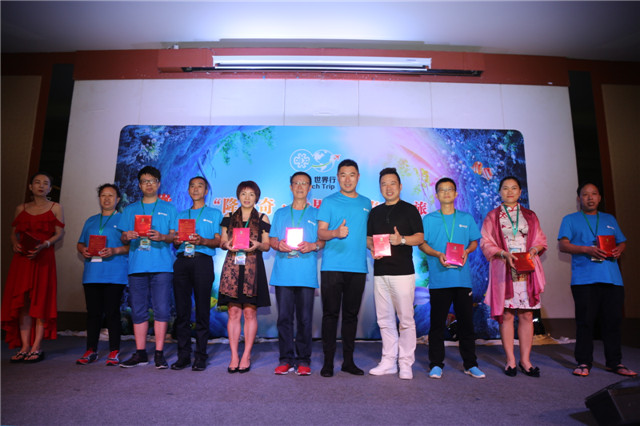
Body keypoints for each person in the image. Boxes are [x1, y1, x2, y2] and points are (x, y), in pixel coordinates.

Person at [558, 182, 636, 377]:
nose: (590, 197)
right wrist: (587, 249)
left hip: (613, 280)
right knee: (585, 322)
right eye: (585, 194)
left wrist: (619, 249)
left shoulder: (609, 219)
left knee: (613, 322)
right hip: (584, 280)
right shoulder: (570, 219)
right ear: (579, 199)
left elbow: (622, 241)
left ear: (599, 197)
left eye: (594, 194)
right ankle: (583, 362)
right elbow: (563, 245)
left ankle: (614, 362)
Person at [480, 176, 547, 377]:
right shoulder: (492, 216)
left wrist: (534, 250)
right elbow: (485, 242)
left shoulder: (530, 215)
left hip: (527, 269)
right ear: (499, 191)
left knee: (527, 315)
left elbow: (541, 240)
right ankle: (510, 360)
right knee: (507, 315)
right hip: (504, 268)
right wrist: (503, 254)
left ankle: (525, 360)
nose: (510, 191)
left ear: (520, 192)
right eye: (505, 188)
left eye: (514, 188)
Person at [420, 177, 486, 379]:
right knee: (437, 325)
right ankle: (436, 364)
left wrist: (467, 251)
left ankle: (470, 364)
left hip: (462, 280)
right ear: (437, 195)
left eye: (450, 189)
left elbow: (474, 242)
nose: (446, 192)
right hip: (439, 280)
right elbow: (422, 244)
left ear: (456, 194)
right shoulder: (429, 219)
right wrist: (437, 254)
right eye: (442, 190)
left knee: (466, 324)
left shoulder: (466, 218)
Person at [366, 168, 423, 380]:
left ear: (400, 186)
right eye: (384, 184)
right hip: (381, 273)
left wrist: (402, 240)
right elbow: (368, 238)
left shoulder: (410, 210)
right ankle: (388, 361)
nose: (388, 188)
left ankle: (406, 363)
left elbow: (420, 237)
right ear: (380, 187)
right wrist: (372, 248)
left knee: (406, 320)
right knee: (384, 319)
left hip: (403, 273)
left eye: (392, 183)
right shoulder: (375, 212)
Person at [2, 172, 65, 363]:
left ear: (50, 188)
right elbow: (14, 233)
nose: (41, 185)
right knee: (23, 302)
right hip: (23, 260)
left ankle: (37, 346)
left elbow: (59, 233)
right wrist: (15, 243)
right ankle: (24, 346)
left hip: (43, 258)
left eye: (45, 183)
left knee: (40, 301)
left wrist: (45, 244)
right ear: (30, 187)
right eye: (37, 182)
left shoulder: (56, 207)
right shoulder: (20, 208)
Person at [317, 159, 372, 378]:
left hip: (358, 268)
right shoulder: (328, 201)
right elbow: (321, 233)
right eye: (343, 175)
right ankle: (328, 362)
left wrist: (378, 247)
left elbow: (366, 236)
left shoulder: (366, 203)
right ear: (337, 177)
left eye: (352, 174)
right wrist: (335, 233)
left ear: (358, 177)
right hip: (332, 267)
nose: (347, 179)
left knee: (351, 316)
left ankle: (348, 362)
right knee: (330, 315)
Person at [119, 166, 177, 369]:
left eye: (152, 181)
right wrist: (127, 236)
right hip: (137, 266)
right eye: (145, 181)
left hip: (162, 266)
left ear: (158, 183)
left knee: (162, 309)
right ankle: (141, 353)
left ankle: (159, 353)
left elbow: (174, 236)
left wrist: (162, 237)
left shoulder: (169, 208)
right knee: (138, 310)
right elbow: (122, 236)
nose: (149, 184)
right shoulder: (130, 209)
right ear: (139, 185)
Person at [269, 172, 324, 376]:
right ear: (291, 187)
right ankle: (285, 359)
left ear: (310, 188)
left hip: (305, 275)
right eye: (296, 183)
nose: (300, 187)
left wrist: (313, 245)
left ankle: (303, 360)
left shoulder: (317, 214)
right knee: (284, 319)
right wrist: (278, 244)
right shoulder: (280, 213)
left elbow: (323, 241)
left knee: (305, 319)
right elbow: (271, 240)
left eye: (304, 183)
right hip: (283, 274)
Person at [219, 180, 271, 373]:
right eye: (243, 194)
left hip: (253, 268)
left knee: (250, 312)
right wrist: (227, 244)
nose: (247, 198)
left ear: (256, 197)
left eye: (251, 194)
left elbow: (266, 245)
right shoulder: (228, 217)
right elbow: (222, 242)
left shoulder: (263, 217)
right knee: (233, 312)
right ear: (238, 196)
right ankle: (234, 355)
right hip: (232, 268)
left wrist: (258, 245)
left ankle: (247, 355)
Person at [171, 177, 222, 372]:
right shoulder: (181, 215)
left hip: (202, 261)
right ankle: (183, 356)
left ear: (206, 191)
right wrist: (176, 240)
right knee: (182, 311)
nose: (195, 189)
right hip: (182, 261)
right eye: (192, 186)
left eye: (200, 186)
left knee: (202, 310)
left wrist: (202, 241)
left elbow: (218, 241)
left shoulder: (214, 213)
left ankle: (201, 356)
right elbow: (174, 240)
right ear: (188, 190)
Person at [76, 184, 129, 366]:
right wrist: (83, 250)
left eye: (111, 195)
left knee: (112, 313)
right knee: (93, 314)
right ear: (99, 198)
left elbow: (130, 247)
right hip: (92, 274)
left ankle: (114, 351)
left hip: (114, 274)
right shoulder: (91, 220)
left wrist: (114, 250)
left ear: (118, 199)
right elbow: (80, 243)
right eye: (103, 195)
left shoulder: (123, 220)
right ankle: (90, 350)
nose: (106, 199)